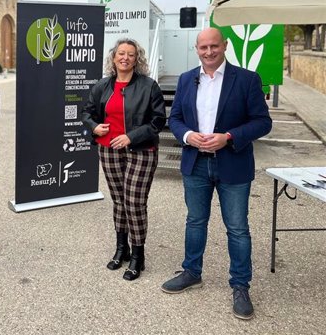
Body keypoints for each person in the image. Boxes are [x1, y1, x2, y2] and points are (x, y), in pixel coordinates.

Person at [161, 28, 272, 320]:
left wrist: (230, 136)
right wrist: (187, 136)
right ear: (196, 49)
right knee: (195, 221)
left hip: (232, 162)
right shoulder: (187, 79)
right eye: (203, 47)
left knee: (237, 227)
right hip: (195, 162)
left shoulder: (247, 79)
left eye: (214, 46)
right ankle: (191, 272)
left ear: (224, 46)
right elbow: (175, 119)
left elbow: (262, 122)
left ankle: (240, 286)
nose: (209, 52)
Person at [82, 38, 166, 281]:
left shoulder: (149, 86)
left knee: (134, 202)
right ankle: (122, 249)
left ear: (136, 58)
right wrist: (94, 126)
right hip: (108, 149)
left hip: (141, 150)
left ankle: (138, 256)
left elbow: (158, 121)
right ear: (114, 57)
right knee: (119, 200)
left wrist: (131, 137)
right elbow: (87, 112)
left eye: (130, 54)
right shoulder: (102, 86)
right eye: (121, 53)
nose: (125, 58)